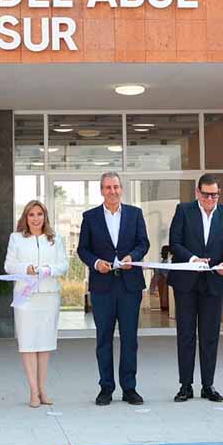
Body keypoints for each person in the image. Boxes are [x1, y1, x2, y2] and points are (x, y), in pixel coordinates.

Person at [77, 172, 150, 406]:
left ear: (122, 189)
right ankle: (106, 388)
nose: (112, 191)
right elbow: (83, 249)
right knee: (103, 339)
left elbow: (143, 243)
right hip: (102, 286)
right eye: (108, 187)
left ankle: (129, 388)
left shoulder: (135, 214)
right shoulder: (90, 217)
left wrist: (133, 257)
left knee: (130, 339)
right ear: (101, 191)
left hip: (130, 286)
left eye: (116, 187)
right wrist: (96, 263)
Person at [167, 174, 223, 403]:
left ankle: (208, 385)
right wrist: (192, 260)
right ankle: (185, 386)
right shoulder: (183, 210)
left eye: (214, 195)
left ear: (219, 194)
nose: (210, 199)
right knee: (186, 335)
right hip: (186, 283)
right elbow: (175, 243)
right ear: (197, 192)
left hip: (214, 283)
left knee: (210, 336)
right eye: (206, 194)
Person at [4, 200, 68, 408]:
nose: (35, 218)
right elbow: (9, 265)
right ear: (25, 217)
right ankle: (33, 391)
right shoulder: (16, 238)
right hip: (25, 296)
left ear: (45, 216)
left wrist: (49, 269)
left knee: (45, 344)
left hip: (49, 296)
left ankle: (42, 389)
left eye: (39, 214)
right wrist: (26, 268)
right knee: (28, 343)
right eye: (31, 214)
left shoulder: (55, 239)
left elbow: (63, 265)